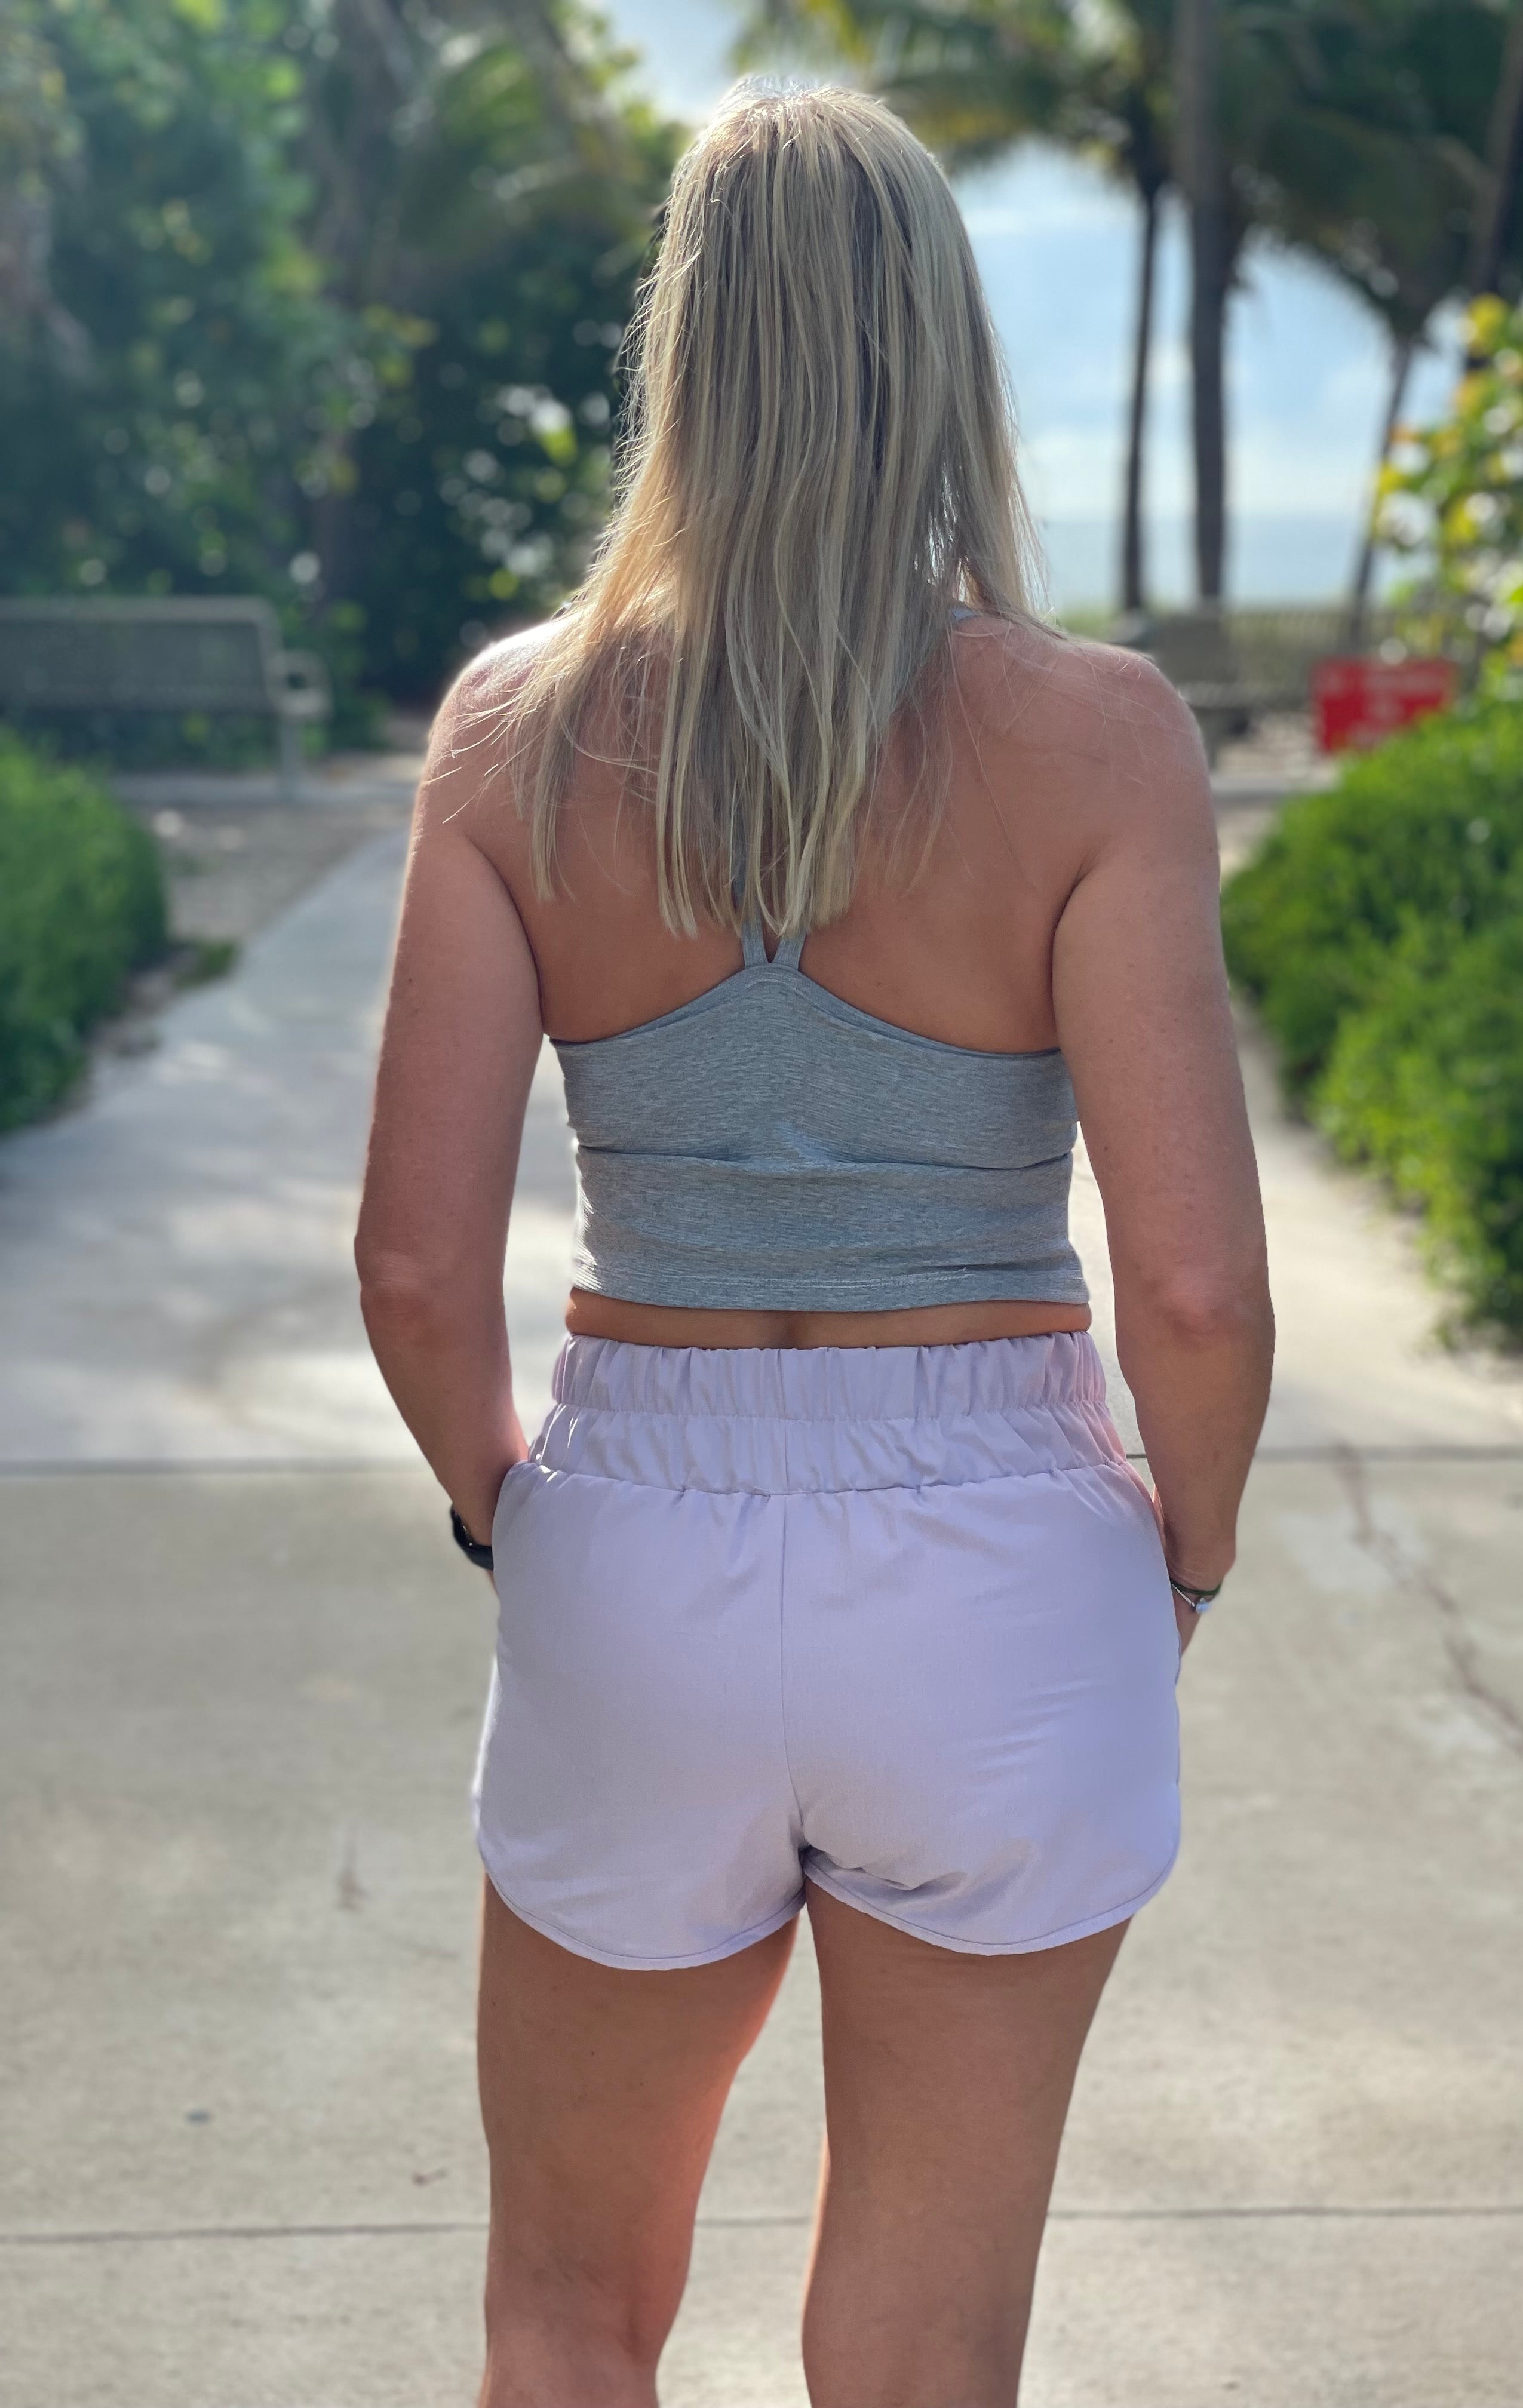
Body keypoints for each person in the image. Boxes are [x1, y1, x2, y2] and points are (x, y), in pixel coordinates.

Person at [356, 79, 1272, 2408]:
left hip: (634, 1523)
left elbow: (415, 1272)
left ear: (688, 354)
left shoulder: (515, 734)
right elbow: (1191, 1292)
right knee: (921, 2346)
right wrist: (1181, 1563)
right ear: (940, 351)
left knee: (567, 2314)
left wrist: (507, 1512)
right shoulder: (1097, 740)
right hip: (998, 1554)